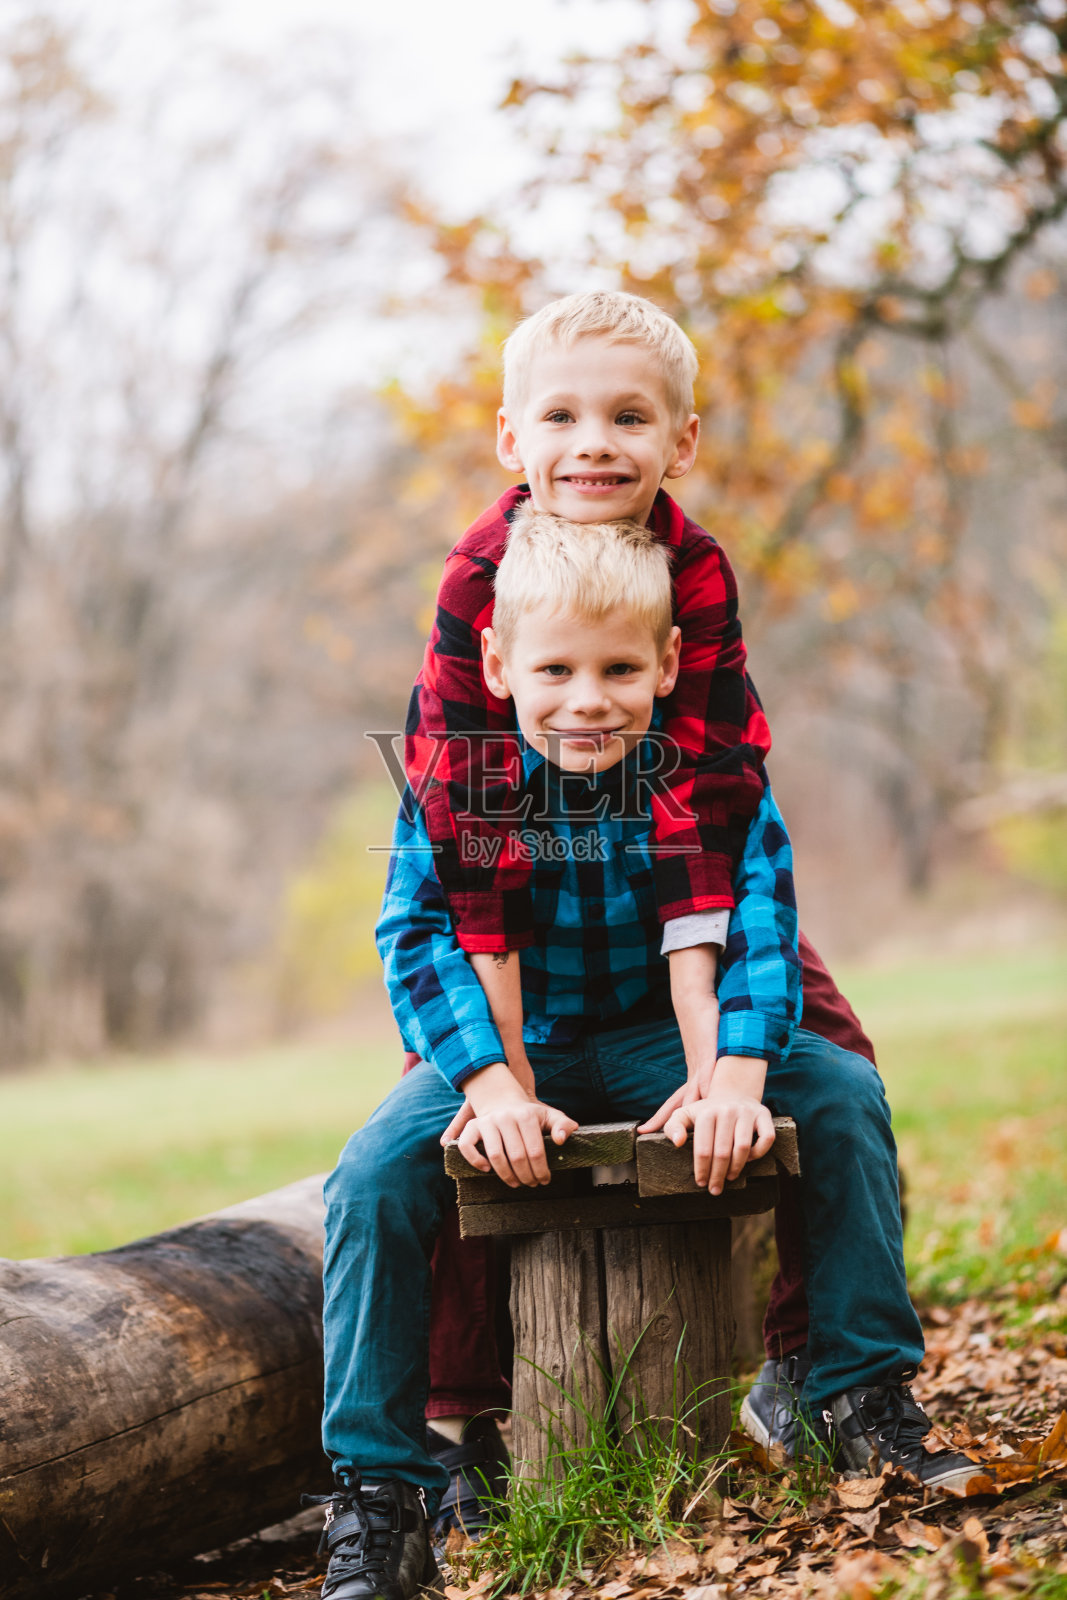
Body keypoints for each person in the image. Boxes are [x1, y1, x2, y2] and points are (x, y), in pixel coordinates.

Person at [315, 513, 978, 1600]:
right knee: (374, 1176)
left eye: (620, 667)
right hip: (512, 1044)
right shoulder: (468, 783)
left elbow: (758, 922)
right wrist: (486, 1084)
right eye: (555, 669)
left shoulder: (703, 777)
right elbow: (417, 935)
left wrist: (734, 1073)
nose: (588, 698)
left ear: (668, 662)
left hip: (658, 1040)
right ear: (497, 664)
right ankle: (382, 1494)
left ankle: (856, 1393)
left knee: (844, 1094)